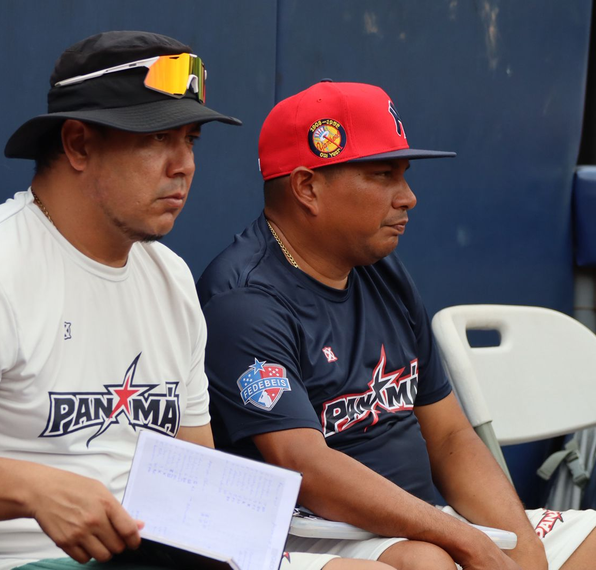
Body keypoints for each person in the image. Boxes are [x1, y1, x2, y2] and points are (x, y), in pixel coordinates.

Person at [0, 32, 389, 570]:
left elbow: (195, 471)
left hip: (146, 552)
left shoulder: (170, 278)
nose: (184, 165)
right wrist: (36, 489)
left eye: (192, 139)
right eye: (157, 138)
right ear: (79, 144)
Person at [197, 80, 596, 570]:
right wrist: (467, 542)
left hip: (422, 521)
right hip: (311, 532)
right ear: (307, 188)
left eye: (403, 175)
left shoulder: (380, 269)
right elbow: (305, 466)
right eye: (383, 174)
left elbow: (449, 437)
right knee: (429, 564)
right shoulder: (245, 298)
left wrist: (523, 551)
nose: (407, 197)